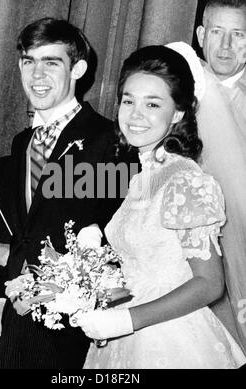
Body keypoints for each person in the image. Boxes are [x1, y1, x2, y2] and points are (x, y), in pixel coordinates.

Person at [0, 17, 129, 369]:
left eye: (51, 62)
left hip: (57, 340)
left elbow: (112, 243)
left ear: (78, 69)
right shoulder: (13, 153)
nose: (37, 75)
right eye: (29, 62)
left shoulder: (108, 143)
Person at [74, 45, 246, 369]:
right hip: (125, 338)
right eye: (128, 100)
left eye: (153, 103)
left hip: (170, 341)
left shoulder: (185, 180)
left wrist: (127, 320)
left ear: (178, 113)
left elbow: (209, 283)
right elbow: (145, 271)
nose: (136, 115)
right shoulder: (145, 177)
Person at [195, 0, 246, 351]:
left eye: (239, 34)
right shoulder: (173, 91)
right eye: (217, 32)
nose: (226, 46)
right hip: (181, 262)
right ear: (201, 35)